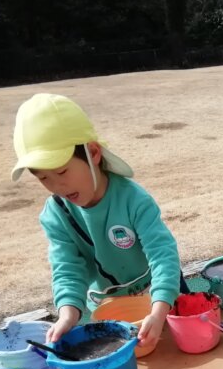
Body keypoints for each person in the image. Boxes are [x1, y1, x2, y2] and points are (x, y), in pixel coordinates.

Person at [12, 93, 186, 345]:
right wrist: (67, 315)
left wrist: (159, 311)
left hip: (158, 297)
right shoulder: (55, 214)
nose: (57, 186)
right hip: (108, 308)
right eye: (43, 178)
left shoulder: (133, 199)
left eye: (62, 171)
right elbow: (67, 268)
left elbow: (162, 255)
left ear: (93, 153)